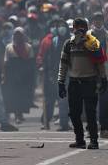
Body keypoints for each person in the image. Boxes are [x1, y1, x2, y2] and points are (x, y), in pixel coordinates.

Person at [58, 18, 107, 149]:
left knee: (90, 113)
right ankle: (79, 139)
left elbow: (100, 63)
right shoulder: (68, 44)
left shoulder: (93, 43)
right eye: (77, 27)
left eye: (81, 27)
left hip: (89, 82)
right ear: (73, 28)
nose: (79, 29)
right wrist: (61, 82)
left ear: (86, 28)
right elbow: (63, 64)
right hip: (74, 83)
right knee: (74, 113)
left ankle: (94, 141)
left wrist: (103, 79)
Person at [37, 19, 71, 131]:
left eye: (63, 26)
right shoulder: (53, 41)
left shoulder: (71, 41)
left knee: (63, 100)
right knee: (50, 99)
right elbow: (49, 57)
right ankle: (45, 122)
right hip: (53, 73)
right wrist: (48, 71)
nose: (61, 28)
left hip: (67, 73)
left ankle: (64, 123)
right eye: (59, 26)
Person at [3, 27, 36, 124]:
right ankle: (17, 114)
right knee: (14, 95)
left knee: (23, 96)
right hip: (12, 76)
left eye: (20, 35)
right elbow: (5, 62)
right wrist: (4, 76)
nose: (18, 37)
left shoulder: (28, 47)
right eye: (16, 35)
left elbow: (31, 63)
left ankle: (20, 113)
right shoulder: (9, 47)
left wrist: (31, 77)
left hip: (24, 75)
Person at [90, 12, 108, 138]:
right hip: (90, 71)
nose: (98, 22)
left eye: (100, 19)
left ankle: (103, 128)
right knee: (90, 102)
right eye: (96, 20)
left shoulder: (107, 35)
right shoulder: (88, 35)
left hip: (104, 72)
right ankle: (90, 128)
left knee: (103, 102)